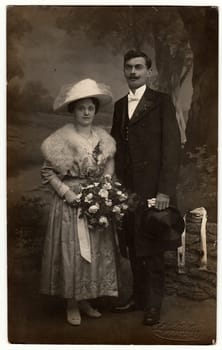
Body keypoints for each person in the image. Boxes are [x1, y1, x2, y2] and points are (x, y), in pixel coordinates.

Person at [40, 78, 119, 326]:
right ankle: (71, 303)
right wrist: (66, 193)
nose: (86, 112)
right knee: (74, 252)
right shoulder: (60, 139)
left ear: (95, 111)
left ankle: (85, 299)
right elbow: (47, 172)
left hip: (95, 202)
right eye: (81, 108)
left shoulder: (103, 139)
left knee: (93, 252)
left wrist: (104, 189)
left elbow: (109, 167)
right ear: (73, 110)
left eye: (90, 108)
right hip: (70, 203)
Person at [111, 50, 181, 325]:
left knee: (152, 249)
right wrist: (116, 189)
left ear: (149, 72)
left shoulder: (161, 102)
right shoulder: (119, 106)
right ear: (124, 71)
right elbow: (116, 149)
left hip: (154, 190)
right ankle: (138, 299)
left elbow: (172, 148)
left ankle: (153, 306)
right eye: (128, 67)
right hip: (128, 191)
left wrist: (164, 191)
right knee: (133, 244)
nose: (133, 72)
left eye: (139, 67)